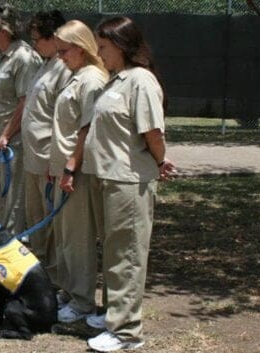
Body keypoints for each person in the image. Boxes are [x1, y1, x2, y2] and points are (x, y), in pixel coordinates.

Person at [78, 16, 176, 351]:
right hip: (107, 178)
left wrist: (161, 161)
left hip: (128, 182)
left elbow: (153, 133)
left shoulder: (141, 81)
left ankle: (127, 332)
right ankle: (114, 316)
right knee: (114, 252)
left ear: (121, 45)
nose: (99, 54)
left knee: (127, 256)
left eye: (103, 47)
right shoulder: (115, 79)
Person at [49, 19, 108, 324]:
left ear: (82, 47)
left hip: (78, 171)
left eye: (64, 50)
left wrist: (71, 165)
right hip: (64, 169)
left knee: (79, 237)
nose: (60, 57)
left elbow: (88, 128)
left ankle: (83, 301)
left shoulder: (92, 80)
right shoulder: (76, 76)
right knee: (65, 236)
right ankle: (71, 292)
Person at [19, 10, 71, 295]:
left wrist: (56, 163)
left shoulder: (64, 68)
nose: (34, 44)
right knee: (36, 221)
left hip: (50, 163)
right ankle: (41, 278)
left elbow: (62, 120)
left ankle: (57, 282)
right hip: (32, 159)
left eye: (38, 39)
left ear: (55, 37)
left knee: (52, 226)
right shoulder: (44, 64)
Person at [0, 2, 42, 235]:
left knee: (12, 196)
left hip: (14, 140)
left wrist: (5, 134)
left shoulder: (23, 57)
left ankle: (12, 248)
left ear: (4, 29)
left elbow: (26, 103)